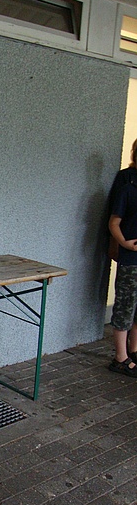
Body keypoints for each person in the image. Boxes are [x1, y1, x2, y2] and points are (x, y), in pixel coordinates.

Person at [108, 138, 137, 378]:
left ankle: (133, 351)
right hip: (131, 259)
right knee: (125, 307)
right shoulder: (128, 185)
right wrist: (124, 243)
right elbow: (114, 222)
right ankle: (120, 357)